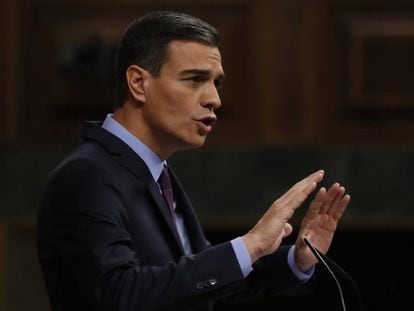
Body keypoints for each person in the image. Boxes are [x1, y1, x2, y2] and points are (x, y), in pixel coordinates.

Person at [36, 11, 350, 311]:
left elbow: (198, 283)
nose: (214, 99)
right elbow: (119, 295)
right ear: (138, 83)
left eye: (217, 83)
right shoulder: (86, 176)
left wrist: (298, 259)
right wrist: (250, 244)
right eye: (195, 80)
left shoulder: (157, 174)